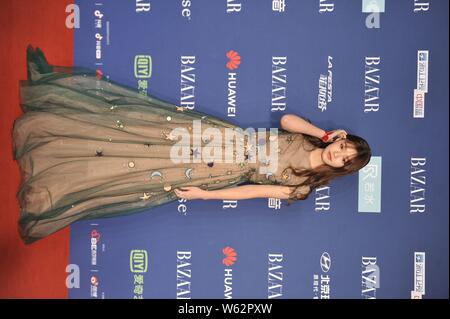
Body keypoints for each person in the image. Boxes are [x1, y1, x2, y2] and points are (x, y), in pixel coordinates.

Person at [12, 45, 371, 244]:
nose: (339, 154)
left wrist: (206, 196)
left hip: (218, 170)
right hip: (217, 136)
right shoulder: (309, 135)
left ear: (343, 170)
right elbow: (286, 120)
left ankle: (58, 181)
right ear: (340, 140)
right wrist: (324, 133)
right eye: (344, 147)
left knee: (135, 169)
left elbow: (253, 192)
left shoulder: (302, 187)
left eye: (344, 159)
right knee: (135, 133)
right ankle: (54, 132)